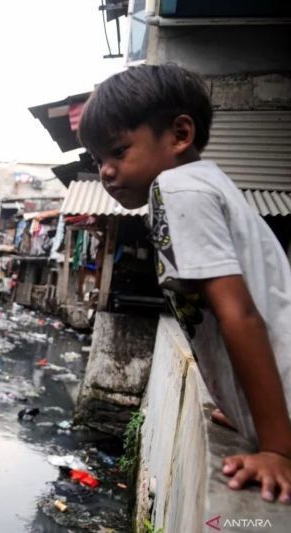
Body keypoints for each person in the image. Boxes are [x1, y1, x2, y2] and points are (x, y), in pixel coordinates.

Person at [78, 64, 291, 503]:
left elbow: (241, 315)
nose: (106, 171)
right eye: (100, 160)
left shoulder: (177, 189)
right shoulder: (203, 183)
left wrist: (274, 446)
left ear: (179, 135)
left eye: (119, 151)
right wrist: (242, 408)